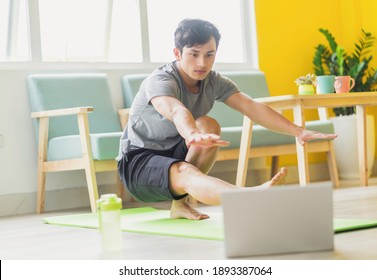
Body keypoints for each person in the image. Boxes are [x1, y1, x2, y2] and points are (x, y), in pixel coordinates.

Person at [117, 18, 337, 220]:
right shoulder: (161, 80)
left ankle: (180, 204)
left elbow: (252, 107)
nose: (202, 63)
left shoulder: (213, 81)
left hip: (174, 152)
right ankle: (246, 197)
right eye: (194, 54)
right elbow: (176, 111)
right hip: (139, 162)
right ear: (177, 53)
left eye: (209, 54)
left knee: (209, 125)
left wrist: (297, 131)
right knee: (189, 160)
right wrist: (193, 135)